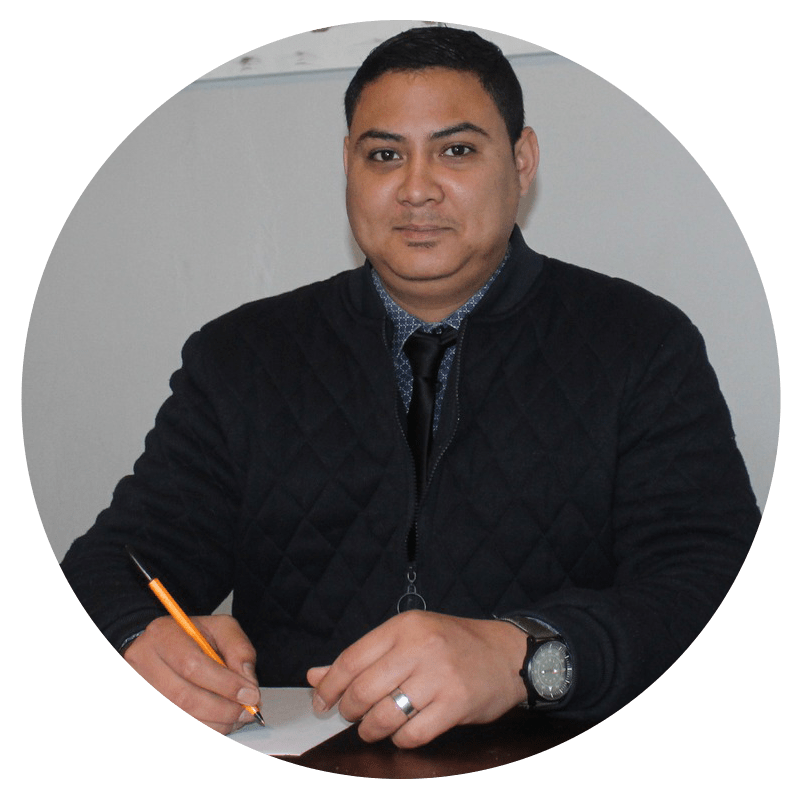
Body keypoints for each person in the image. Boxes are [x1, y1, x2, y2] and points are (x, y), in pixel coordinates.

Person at [60, 26, 760, 749]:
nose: (416, 189)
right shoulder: (240, 356)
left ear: (522, 161)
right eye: (385, 155)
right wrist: (136, 635)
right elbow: (113, 565)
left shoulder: (640, 342)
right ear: (348, 166)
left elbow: (714, 583)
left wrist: (526, 655)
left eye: (457, 151)